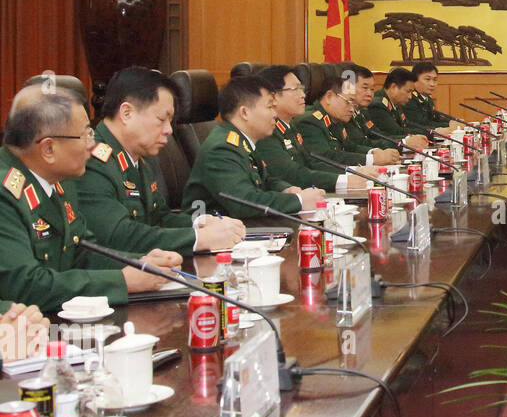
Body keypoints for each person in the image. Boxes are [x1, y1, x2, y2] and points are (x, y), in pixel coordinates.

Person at [0, 85, 173, 310]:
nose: (92, 144)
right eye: (85, 134)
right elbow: (25, 285)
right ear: (48, 149)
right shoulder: (6, 194)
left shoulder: (60, 181)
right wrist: (122, 281)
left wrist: (139, 263)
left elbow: (82, 251)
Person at [79, 67, 245, 256]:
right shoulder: (90, 161)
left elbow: (158, 218)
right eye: (161, 119)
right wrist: (199, 238)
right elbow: (118, 236)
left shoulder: (135, 156)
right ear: (126, 113)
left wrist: (199, 222)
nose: (169, 130)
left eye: (170, 121)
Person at [183, 76, 326, 219]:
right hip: (217, 231)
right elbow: (245, 203)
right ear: (244, 112)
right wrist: (299, 201)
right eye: (270, 107)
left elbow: (263, 180)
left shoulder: (242, 140)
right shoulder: (222, 149)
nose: (275, 114)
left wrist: (286, 189)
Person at [256, 65, 380, 190]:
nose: (303, 94)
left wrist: (354, 172)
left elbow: (311, 162)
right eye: (295, 89)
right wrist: (346, 180)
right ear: (274, 97)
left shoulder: (289, 126)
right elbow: (291, 174)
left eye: (302, 88)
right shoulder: (266, 132)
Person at [294, 75, 398, 167]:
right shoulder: (310, 121)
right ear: (329, 97)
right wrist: (373, 159)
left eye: (353, 104)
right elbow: (325, 157)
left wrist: (374, 152)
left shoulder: (335, 119)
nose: (352, 109)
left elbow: (349, 147)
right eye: (348, 102)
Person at [365, 68, 431, 149]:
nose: (410, 96)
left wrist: (431, 131)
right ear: (394, 87)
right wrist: (428, 133)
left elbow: (406, 123)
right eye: (408, 91)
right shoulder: (377, 105)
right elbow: (395, 131)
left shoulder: (396, 102)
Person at [407, 61, 457, 131]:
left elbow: (435, 118)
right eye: (427, 79)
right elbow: (422, 124)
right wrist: (449, 125)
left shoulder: (427, 98)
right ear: (414, 80)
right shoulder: (408, 99)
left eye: (435, 80)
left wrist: (453, 121)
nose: (432, 84)